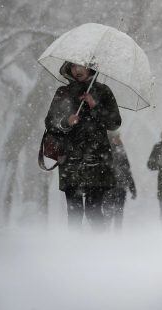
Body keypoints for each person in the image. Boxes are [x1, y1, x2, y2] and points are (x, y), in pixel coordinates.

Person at [44, 62, 121, 230]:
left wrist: (95, 105)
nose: (77, 70)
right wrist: (66, 121)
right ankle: (74, 252)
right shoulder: (63, 92)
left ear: (90, 67)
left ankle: (98, 250)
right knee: (75, 213)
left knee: (94, 212)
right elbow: (50, 123)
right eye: (73, 66)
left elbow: (114, 123)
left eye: (81, 66)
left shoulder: (103, 91)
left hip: (97, 160)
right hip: (71, 160)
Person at [103, 131, 136, 229]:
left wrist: (132, 187)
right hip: (111, 187)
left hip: (115, 187)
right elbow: (127, 170)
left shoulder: (118, 150)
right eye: (117, 137)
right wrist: (132, 187)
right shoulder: (116, 151)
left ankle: (113, 235)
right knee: (113, 213)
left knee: (114, 213)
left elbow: (127, 170)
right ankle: (111, 234)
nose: (119, 139)